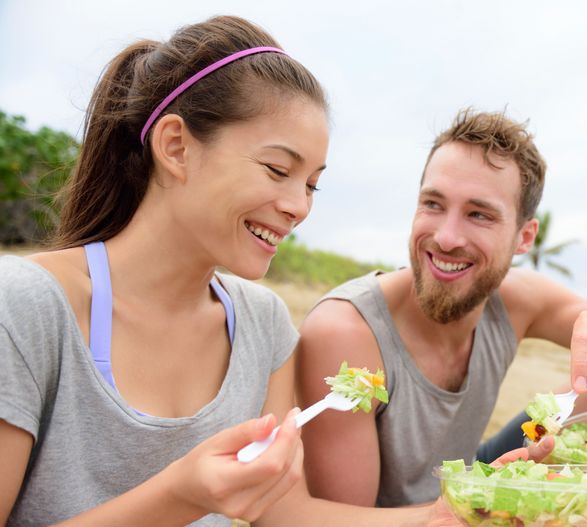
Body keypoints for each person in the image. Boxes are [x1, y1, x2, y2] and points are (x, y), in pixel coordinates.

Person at [0, 15, 458, 527]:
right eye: (278, 170)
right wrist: (181, 494)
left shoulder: (263, 323)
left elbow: (286, 514)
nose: (298, 207)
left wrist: (452, 515)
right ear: (176, 146)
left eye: (311, 184)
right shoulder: (25, 309)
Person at [297, 109, 587, 526]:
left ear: (523, 237)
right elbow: (343, 520)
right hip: (403, 519)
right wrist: (475, 504)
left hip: (473, 471)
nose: (447, 236)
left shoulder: (517, 298)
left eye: (479, 214)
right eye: (433, 204)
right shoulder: (347, 331)